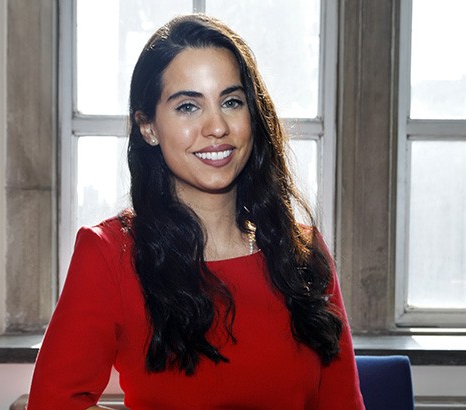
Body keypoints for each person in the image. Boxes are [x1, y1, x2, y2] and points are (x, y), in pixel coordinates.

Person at [27, 14, 365, 410]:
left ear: (252, 115)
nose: (217, 126)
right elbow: (53, 403)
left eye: (231, 101)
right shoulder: (109, 255)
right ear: (148, 127)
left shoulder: (304, 251)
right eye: (188, 106)